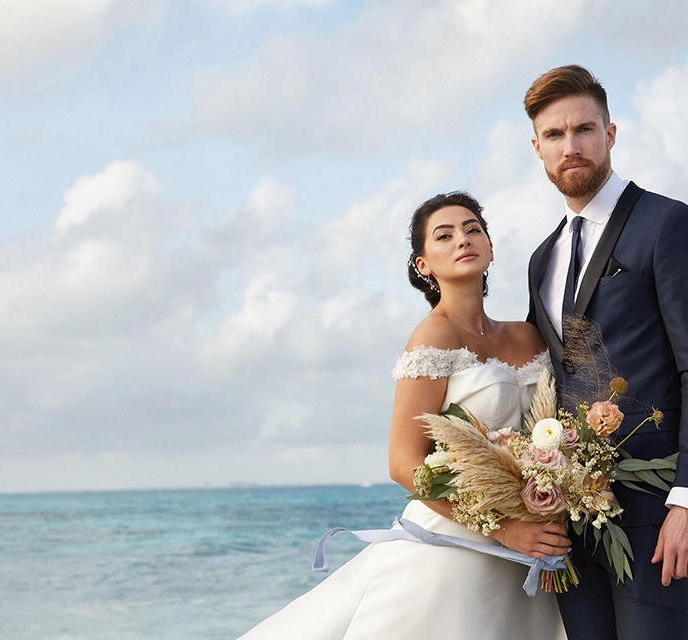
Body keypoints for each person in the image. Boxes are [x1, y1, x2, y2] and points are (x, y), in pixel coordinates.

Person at [238, 192, 568, 639]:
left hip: (531, 548)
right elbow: (402, 463)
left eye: (473, 229)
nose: (462, 240)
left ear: (491, 248)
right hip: (459, 544)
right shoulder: (433, 336)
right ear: (423, 264)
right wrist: (503, 528)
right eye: (444, 235)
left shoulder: (527, 336)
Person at [523, 65, 688, 640]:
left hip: (655, 510)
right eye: (555, 135)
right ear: (536, 146)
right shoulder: (541, 259)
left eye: (585, 129)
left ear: (610, 134)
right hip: (566, 515)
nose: (572, 146)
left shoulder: (670, 225)